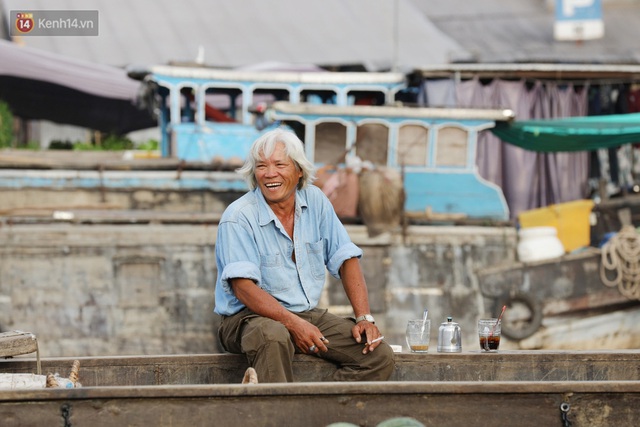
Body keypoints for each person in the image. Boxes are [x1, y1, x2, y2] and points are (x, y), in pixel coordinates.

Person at [214, 127, 395, 383]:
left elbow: (346, 258)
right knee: (273, 335)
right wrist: (293, 324)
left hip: (303, 312)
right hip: (245, 318)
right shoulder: (238, 217)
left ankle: (322, 416)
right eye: (262, 166)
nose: (270, 174)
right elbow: (243, 288)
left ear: (299, 171)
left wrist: (364, 317)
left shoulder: (316, 201)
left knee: (377, 355)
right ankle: (277, 418)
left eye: (279, 164)